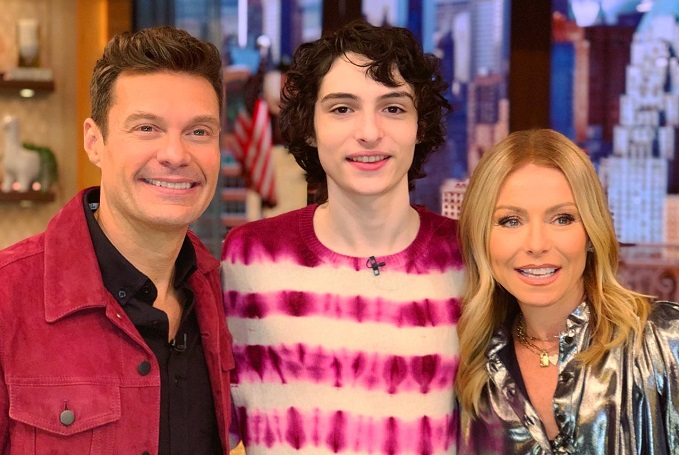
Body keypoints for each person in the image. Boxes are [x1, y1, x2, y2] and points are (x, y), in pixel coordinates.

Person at [222, 20, 463, 454]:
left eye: (393, 108)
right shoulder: (248, 257)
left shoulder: (467, 257)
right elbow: (209, 427)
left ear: (421, 126)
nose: (369, 132)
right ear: (309, 127)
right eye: (342, 109)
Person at [0, 26, 234, 453]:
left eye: (199, 132)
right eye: (146, 128)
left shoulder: (228, 299)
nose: (176, 154)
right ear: (94, 142)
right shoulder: (7, 296)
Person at [455, 128, 679, 454]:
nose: (536, 245)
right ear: (480, 239)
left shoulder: (665, 341)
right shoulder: (468, 370)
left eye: (562, 219)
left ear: (591, 232)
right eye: (510, 221)